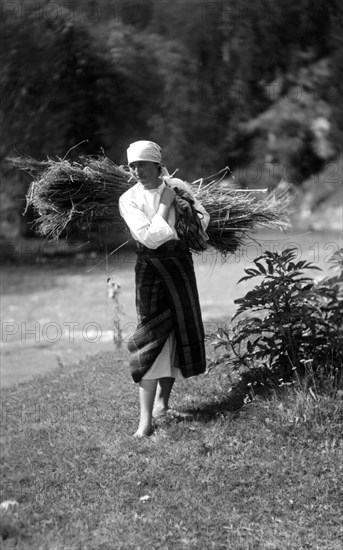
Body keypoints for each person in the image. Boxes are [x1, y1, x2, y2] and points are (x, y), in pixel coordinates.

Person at [119, 140, 210, 437]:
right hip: (151, 269)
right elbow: (148, 238)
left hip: (181, 265)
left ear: (157, 164)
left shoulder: (179, 184)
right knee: (150, 336)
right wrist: (166, 205)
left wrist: (185, 217)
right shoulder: (129, 199)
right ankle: (144, 420)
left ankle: (162, 405)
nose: (136, 171)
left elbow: (203, 219)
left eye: (142, 164)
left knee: (177, 332)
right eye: (132, 166)